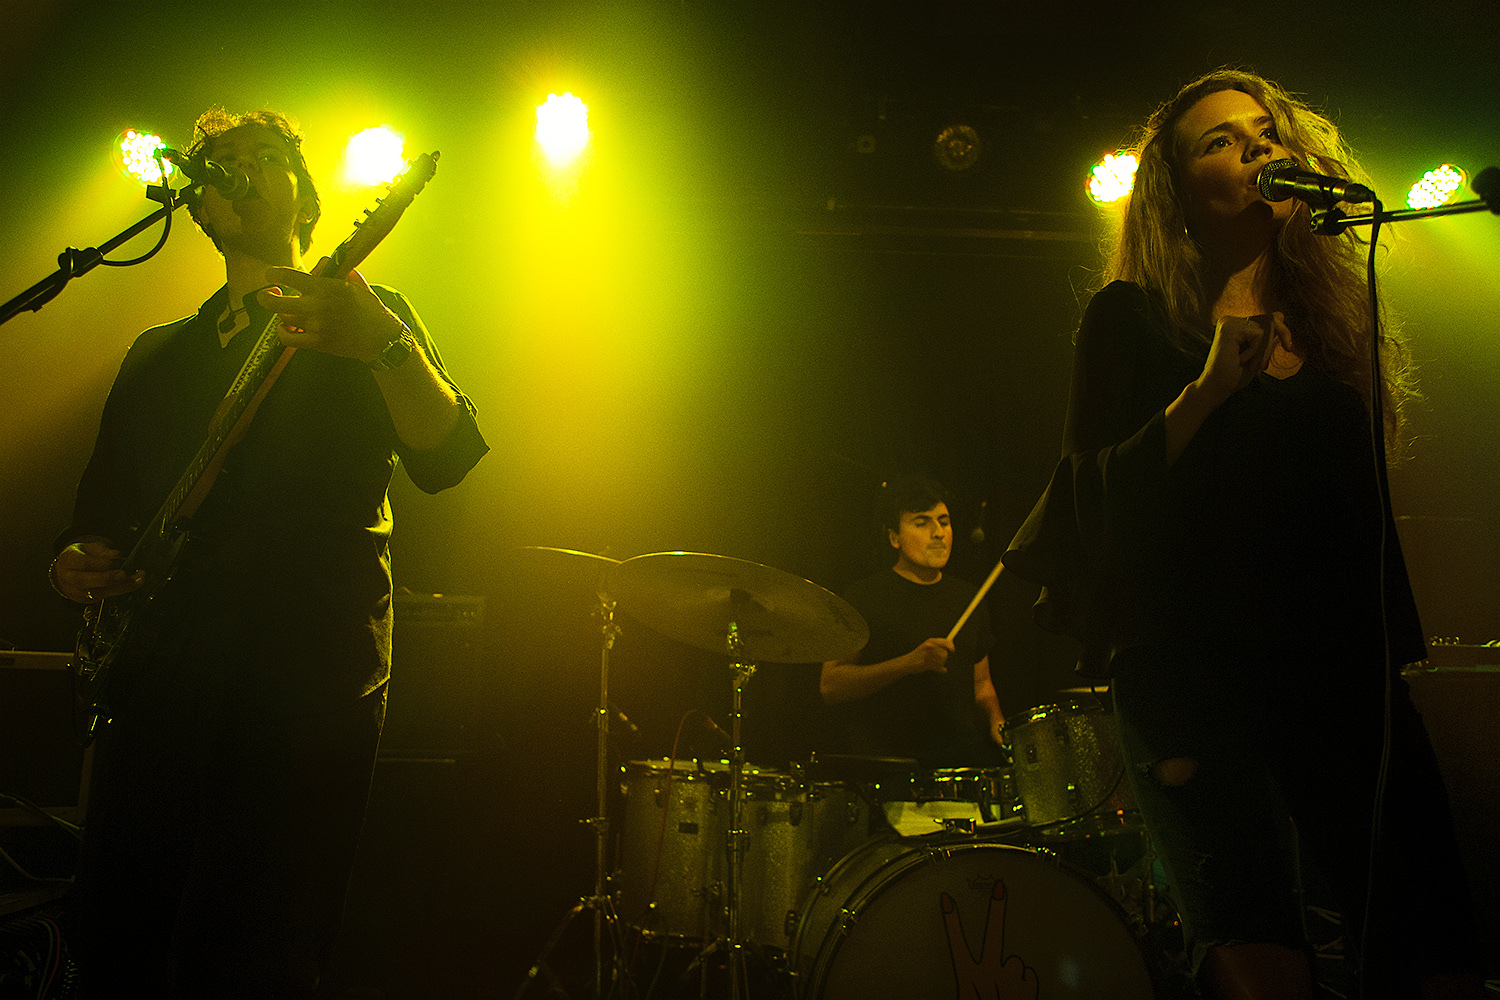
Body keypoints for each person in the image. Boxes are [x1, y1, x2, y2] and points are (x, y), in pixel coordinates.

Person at [1003, 70, 1483, 999]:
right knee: (1256, 953)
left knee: (1434, 950)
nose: (1255, 147)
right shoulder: (1131, 320)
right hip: (1195, 675)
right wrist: (1208, 392)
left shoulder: (1336, 323)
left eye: (1264, 131)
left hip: (1340, 674)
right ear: (1175, 189)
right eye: (1219, 140)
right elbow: (1091, 495)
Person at [47, 108, 488, 998]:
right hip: (160, 677)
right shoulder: (157, 354)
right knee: (120, 934)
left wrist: (385, 347)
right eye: (220, 163)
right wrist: (73, 560)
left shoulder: (366, 314)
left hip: (306, 676)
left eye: (265, 157)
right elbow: (100, 515)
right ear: (197, 209)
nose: (240, 172)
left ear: (305, 193)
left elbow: (448, 456)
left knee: (258, 943)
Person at [820, 474, 1005, 767]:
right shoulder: (863, 596)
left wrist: (997, 720)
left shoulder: (969, 597)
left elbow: (981, 684)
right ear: (895, 538)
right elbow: (831, 685)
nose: (938, 533)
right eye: (922, 523)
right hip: (890, 764)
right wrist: (908, 663)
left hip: (962, 764)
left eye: (944, 522)